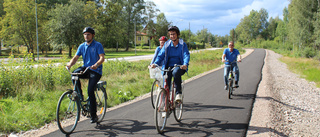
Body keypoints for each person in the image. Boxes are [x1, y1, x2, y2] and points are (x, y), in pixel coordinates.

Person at [66, 27, 105, 123]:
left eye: (88, 34)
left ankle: (93, 115)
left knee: (90, 90)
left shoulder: (97, 45)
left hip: (95, 71)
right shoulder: (82, 46)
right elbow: (75, 58)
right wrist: (70, 64)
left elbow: (102, 58)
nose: (86, 36)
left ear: (93, 35)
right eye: (85, 34)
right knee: (74, 74)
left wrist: (96, 65)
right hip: (86, 68)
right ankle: (79, 95)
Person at [150, 26, 190, 102]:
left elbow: (186, 55)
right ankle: (165, 102)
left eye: (174, 34)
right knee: (166, 81)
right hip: (168, 66)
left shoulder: (182, 45)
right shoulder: (167, 44)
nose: (172, 36)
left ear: (177, 34)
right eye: (171, 34)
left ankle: (178, 93)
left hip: (180, 66)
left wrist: (185, 64)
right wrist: (155, 63)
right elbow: (160, 55)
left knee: (175, 72)